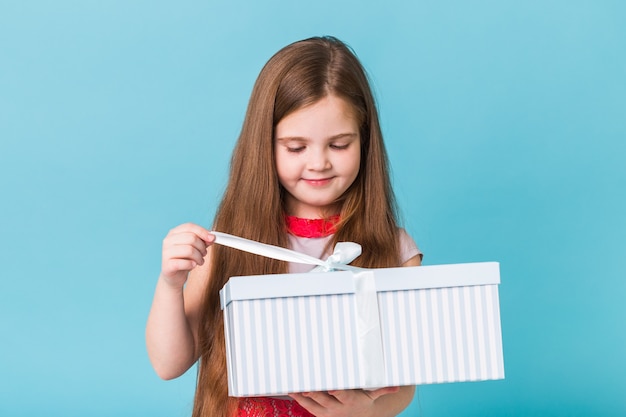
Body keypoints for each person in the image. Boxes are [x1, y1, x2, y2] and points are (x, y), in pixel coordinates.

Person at [146, 36, 422, 417]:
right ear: (265, 146)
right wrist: (170, 284)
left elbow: (404, 384)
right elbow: (168, 364)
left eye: (339, 145)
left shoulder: (396, 250)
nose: (319, 163)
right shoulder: (231, 240)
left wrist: (363, 411)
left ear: (366, 142)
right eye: (296, 147)